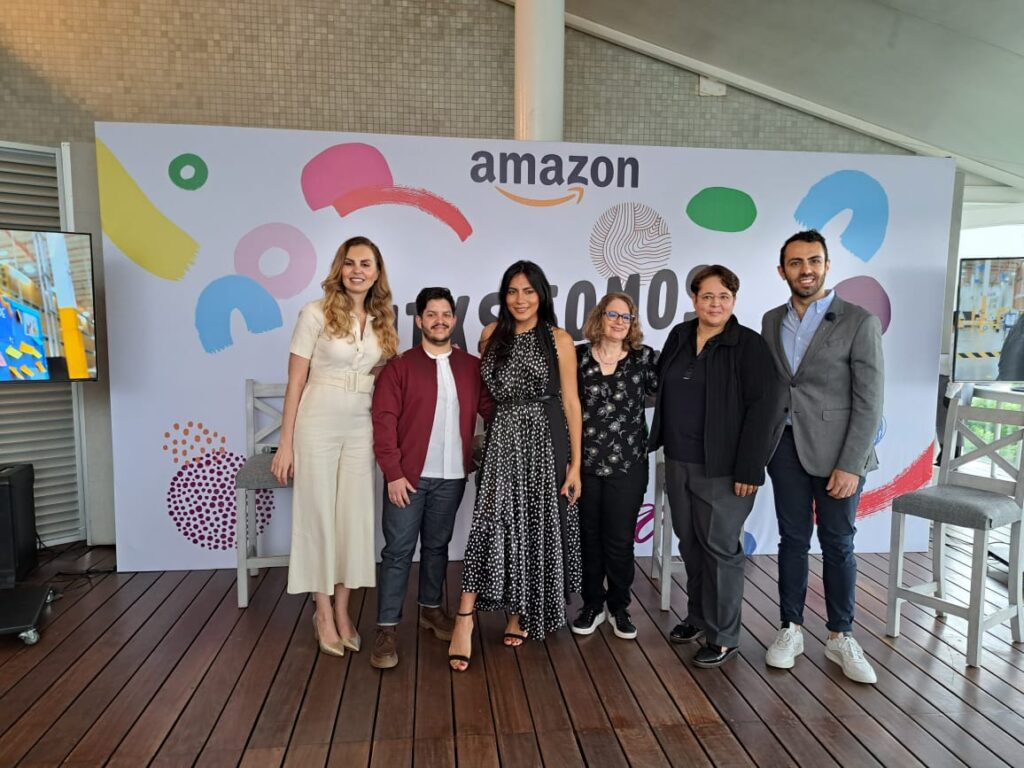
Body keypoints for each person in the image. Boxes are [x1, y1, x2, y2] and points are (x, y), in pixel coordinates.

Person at [447, 260, 583, 671]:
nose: (520, 299)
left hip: (545, 438)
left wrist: (575, 465)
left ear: (541, 294)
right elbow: (481, 391)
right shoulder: (491, 334)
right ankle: (465, 617)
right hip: (503, 436)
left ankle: (520, 612)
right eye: (512, 291)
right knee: (489, 522)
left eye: (528, 291)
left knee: (533, 524)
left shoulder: (559, 339)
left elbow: (571, 402)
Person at [761, 229, 884, 684]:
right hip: (785, 448)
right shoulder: (771, 320)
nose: (806, 269)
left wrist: (851, 463)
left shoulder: (859, 321)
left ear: (827, 265)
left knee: (838, 542)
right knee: (792, 539)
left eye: (813, 260)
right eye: (796, 262)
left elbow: (870, 400)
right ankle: (790, 628)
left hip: (838, 455)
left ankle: (840, 635)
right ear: (782, 271)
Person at [271, 235, 398, 656]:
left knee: (353, 517)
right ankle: (322, 611)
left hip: (361, 424)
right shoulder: (314, 313)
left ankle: (343, 610)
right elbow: (295, 381)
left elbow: (381, 376)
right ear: (339, 269)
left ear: (377, 273)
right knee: (319, 515)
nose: (357, 270)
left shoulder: (382, 320)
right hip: (318, 421)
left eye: (365, 264)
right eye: (350, 263)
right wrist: (285, 444)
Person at [650, 265, 779, 667]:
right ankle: (698, 617)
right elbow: (660, 382)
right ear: (694, 299)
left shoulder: (749, 345)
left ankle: (723, 637)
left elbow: (765, 409)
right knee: (690, 544)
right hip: (679, 459)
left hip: (724, 469)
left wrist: (750, 467)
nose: (715, 304)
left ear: (734, 300)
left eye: (724, 296)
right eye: (707, 296)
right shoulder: (679, 335)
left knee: (720, 549)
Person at [369, 287, 493, 669]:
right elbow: (383, 422)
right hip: (408, 478)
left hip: (452, 477)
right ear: (419, 320)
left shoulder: (471, 367)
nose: (440, 321)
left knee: (437, 547)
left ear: (454, 320)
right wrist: (393, 473)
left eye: (446, 314)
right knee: (397, 552)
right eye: (432, 314)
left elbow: (492, 409)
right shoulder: (400, 367)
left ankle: (431, 609)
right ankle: (387, 628)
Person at [571, 292, 657, 640]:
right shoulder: (577, 357)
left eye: (627, 316)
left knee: (620, 541)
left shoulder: (644, 358)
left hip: (628, 466)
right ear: (599, 317)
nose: (620, 322)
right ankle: (592, 605)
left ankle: (619, 607)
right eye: (613, 314)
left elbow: (677, 392)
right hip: (585, 466)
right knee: (589, 539)